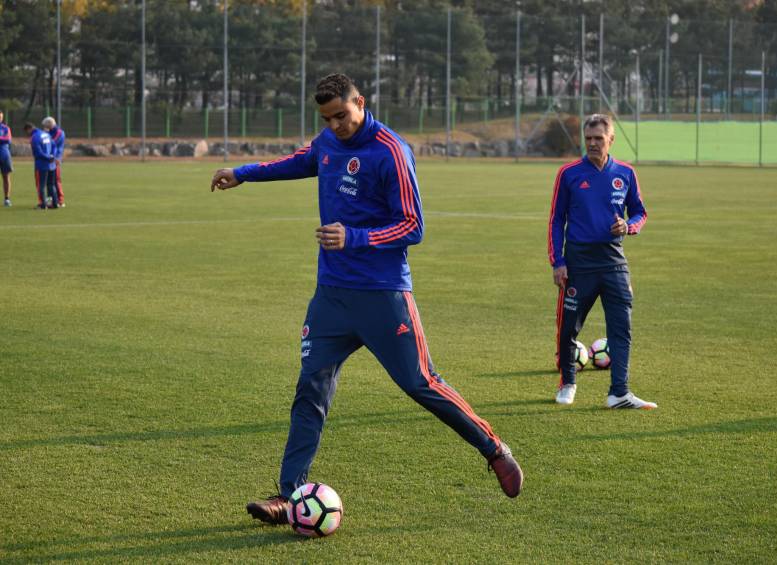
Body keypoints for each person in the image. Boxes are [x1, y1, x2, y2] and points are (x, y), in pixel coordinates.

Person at [211, 73, 523, 524]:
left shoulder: (391, 152)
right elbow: (297, 161)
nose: (335, 124)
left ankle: (493, 448)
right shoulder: (327, 141)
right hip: (332, 298)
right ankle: (291, 495)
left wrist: (352, 236)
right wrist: (241, 174)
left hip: (383, 295)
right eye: (327, 118)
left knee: (422, 384)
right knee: (311, 388)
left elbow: (413, 226)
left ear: (361, 102)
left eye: (342, 114)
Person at [548, 113, 656, 409]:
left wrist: (629, 226)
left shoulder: (626, 173)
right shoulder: (569, 174)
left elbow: (639, 212)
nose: (593, 144)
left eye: (598, 139)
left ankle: (618, 392)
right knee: (568, 328)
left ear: (611, 140)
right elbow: (556, 221)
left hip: (614, 262)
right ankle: (568, 382)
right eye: (588, 139)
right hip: (578, 263)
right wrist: (558, 261)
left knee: (622, 328)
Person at [24, 122, 58, 209]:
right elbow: (54, 146)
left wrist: (47, 158)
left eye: (27, 132)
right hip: (52, 164)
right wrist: (52, 156)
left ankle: (43, 205)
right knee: (51, 184)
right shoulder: (46, 134)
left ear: (29, 129)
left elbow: (38, 153)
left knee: (41, 185)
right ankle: (55, 203)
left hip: (42, 164)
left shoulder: (34, 137)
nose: (27, 134)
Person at [43, 116, 66, 207]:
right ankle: (50, 201)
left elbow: (52, 142)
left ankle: (60, 200)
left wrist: (45, 135)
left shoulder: (59, 132)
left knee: (56, 180)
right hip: (49, 159)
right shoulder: (50, 132)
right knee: (49, 182)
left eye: (45, 126)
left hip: (56, 159)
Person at [0, 111, 12, 207]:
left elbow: (8, 139)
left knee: (6, 177)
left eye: (1, 117)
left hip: (4, 155)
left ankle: (7, 198)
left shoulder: (5, 128)